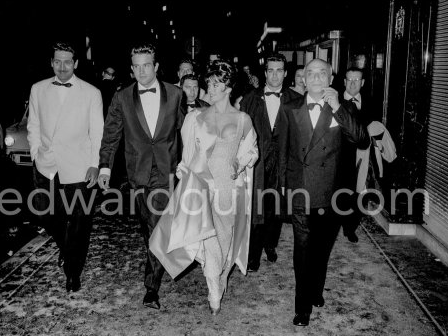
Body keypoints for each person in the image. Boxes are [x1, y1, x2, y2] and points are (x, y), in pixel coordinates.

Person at [149, 59, 258, 315]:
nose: (210, 87)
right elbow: (188, 155)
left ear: (229, 88)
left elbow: (251, 151)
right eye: (209, 82)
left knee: (225, 244)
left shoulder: (243, 119)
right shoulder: (196, 117)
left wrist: (240, 163)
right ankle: (213, 290)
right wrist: (183, 171)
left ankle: (219, 279)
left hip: (228, 191)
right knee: (209, 242)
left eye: (216, 83)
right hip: (201, 189)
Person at [276, 58, 368, 326]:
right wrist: (283, 186)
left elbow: (361, 139)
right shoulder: (289, 107)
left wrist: (338, 107)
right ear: (303, 78)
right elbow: (282, 149)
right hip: (301, 189)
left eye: (322, 73)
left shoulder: (344, 108)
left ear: (331, 78)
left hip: (331, 194)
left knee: (321, 249)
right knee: (303, 248)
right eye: (310, 73)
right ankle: (302, 306)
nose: (316, 77)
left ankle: (315, 289)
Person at [97, 43, 184, 310]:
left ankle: (151, 289)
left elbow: (187, 132)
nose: (142, 71)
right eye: (137, 66)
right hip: (138, 173)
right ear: (132, 69)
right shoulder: (122, 97)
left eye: (147, 65)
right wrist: (104, 167)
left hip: (166, 171)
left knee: (155, 226)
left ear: (156, 66)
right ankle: (159, 260)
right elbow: (111, 134)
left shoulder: (176, 94)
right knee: (148, 227)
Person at [27, 42, 104, 292]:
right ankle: (66, 247)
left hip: (79, 167)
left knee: (79, 222)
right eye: (57, 61)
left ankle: (73, 271)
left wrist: (95, 164)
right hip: (47, 164)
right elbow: (34, 125)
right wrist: (35, 153)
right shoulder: (38, 89)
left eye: (67, 62)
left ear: (76, 63)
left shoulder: (91, 92)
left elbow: (98, 133)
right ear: (51, 62)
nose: (62, 67)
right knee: (45, 214)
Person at [240, 53, 301, 272]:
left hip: (283, 164)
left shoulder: (295, 100)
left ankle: (270, 245)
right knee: (256, 210)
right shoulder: (249, 99)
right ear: (265, 73)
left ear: (285, 74)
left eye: (279, 70)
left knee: (277, 208)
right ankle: (253, 255)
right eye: (271, 70)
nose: (275, 75)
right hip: (256, 164)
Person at [340, 67, 372, 243]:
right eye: (349, 80)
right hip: (341, 156)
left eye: (357, 80)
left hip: (363, 157)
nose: (353, 83)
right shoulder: (334, 101)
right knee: (341, 192)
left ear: (362, 83)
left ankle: (350, 227)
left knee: (359, 194)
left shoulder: (371, 103)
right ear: (344, 82)